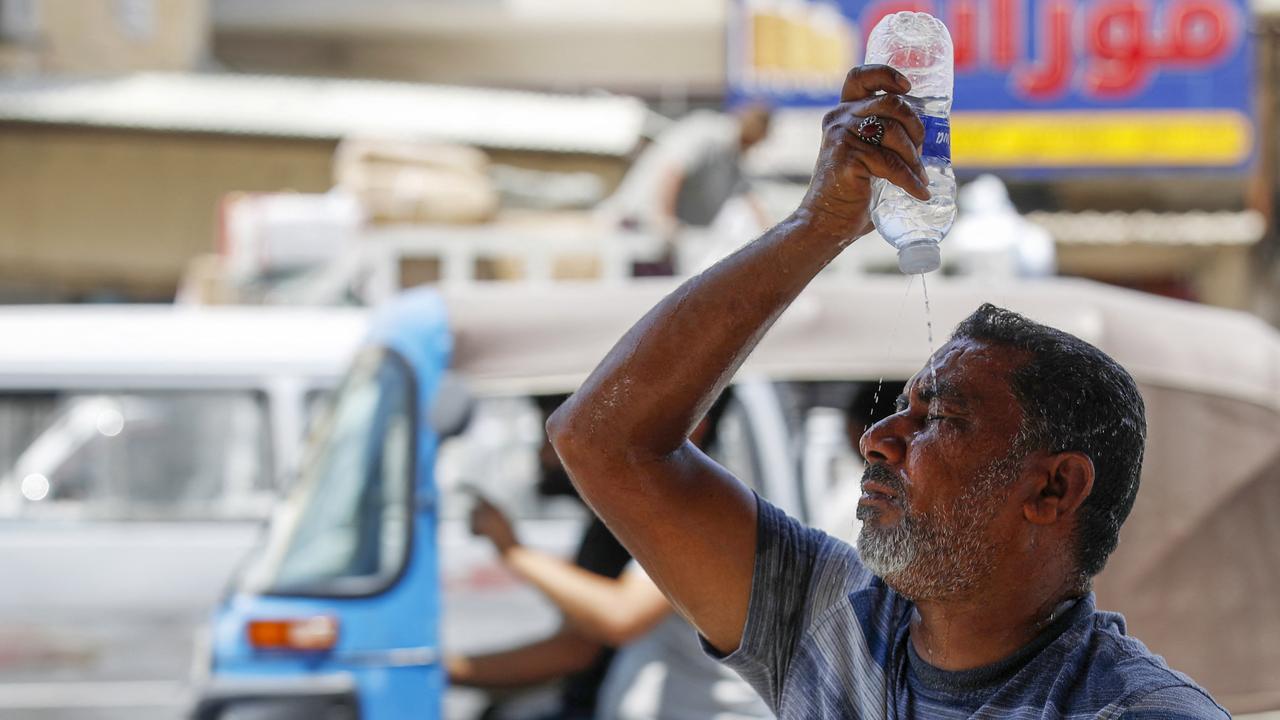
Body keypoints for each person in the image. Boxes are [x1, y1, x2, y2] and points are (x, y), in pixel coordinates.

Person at [544, 65, 1228, 718]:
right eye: (905, 406)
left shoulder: (1131, 709)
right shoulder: (831, 625)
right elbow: (603, 438)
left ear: (1052, 490)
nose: (877, 438)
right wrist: (819, 223)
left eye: (942, 419)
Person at [448, 395, 773, 720]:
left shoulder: (699, 513)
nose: (551, 448)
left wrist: (513, 551)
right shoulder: (637, 516)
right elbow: (580, 637)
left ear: (689, 429)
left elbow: (618, 618)